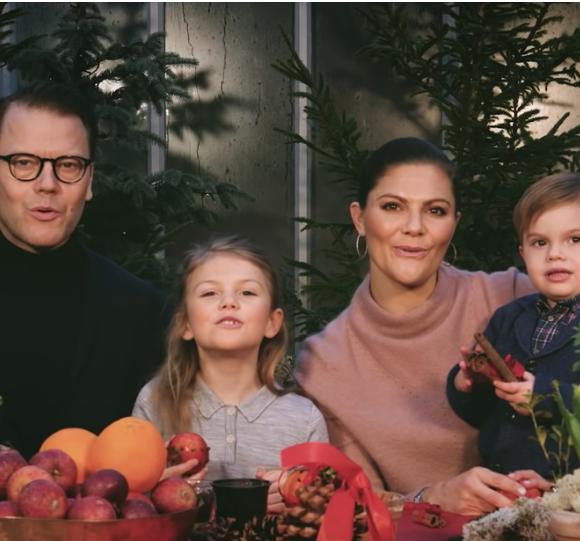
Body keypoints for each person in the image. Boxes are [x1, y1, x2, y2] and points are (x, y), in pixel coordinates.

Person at [293, 136, 552, 516]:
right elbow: (359, 511)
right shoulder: (324, 364)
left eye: (434, 210)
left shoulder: (516, 295)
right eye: (393, 206)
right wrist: (433, 497)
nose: (414, 227)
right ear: (359, 218)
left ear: (454, 223)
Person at [0, 81, 171, 460]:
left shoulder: (140, 312)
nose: (48, 184)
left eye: (69, 165)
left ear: (89, 181)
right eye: (23, 163)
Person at [131, 236, 329, 510]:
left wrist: (298, 499)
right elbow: (129, 502)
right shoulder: (155, 401)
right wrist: (155, 489)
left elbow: (326, 508)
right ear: (185, 324)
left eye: (247, 293)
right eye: (209, 293)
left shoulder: (303, 419)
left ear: (272, 323)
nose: (228, 302)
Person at [447, 172, 580, 480]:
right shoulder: (508, 318)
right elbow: (480, 414)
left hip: (568, 500)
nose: (554, 253)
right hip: (501, 486)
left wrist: (545, 397)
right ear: (523, 253)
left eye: (575, 239)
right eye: (540, 242)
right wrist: (466, 384)